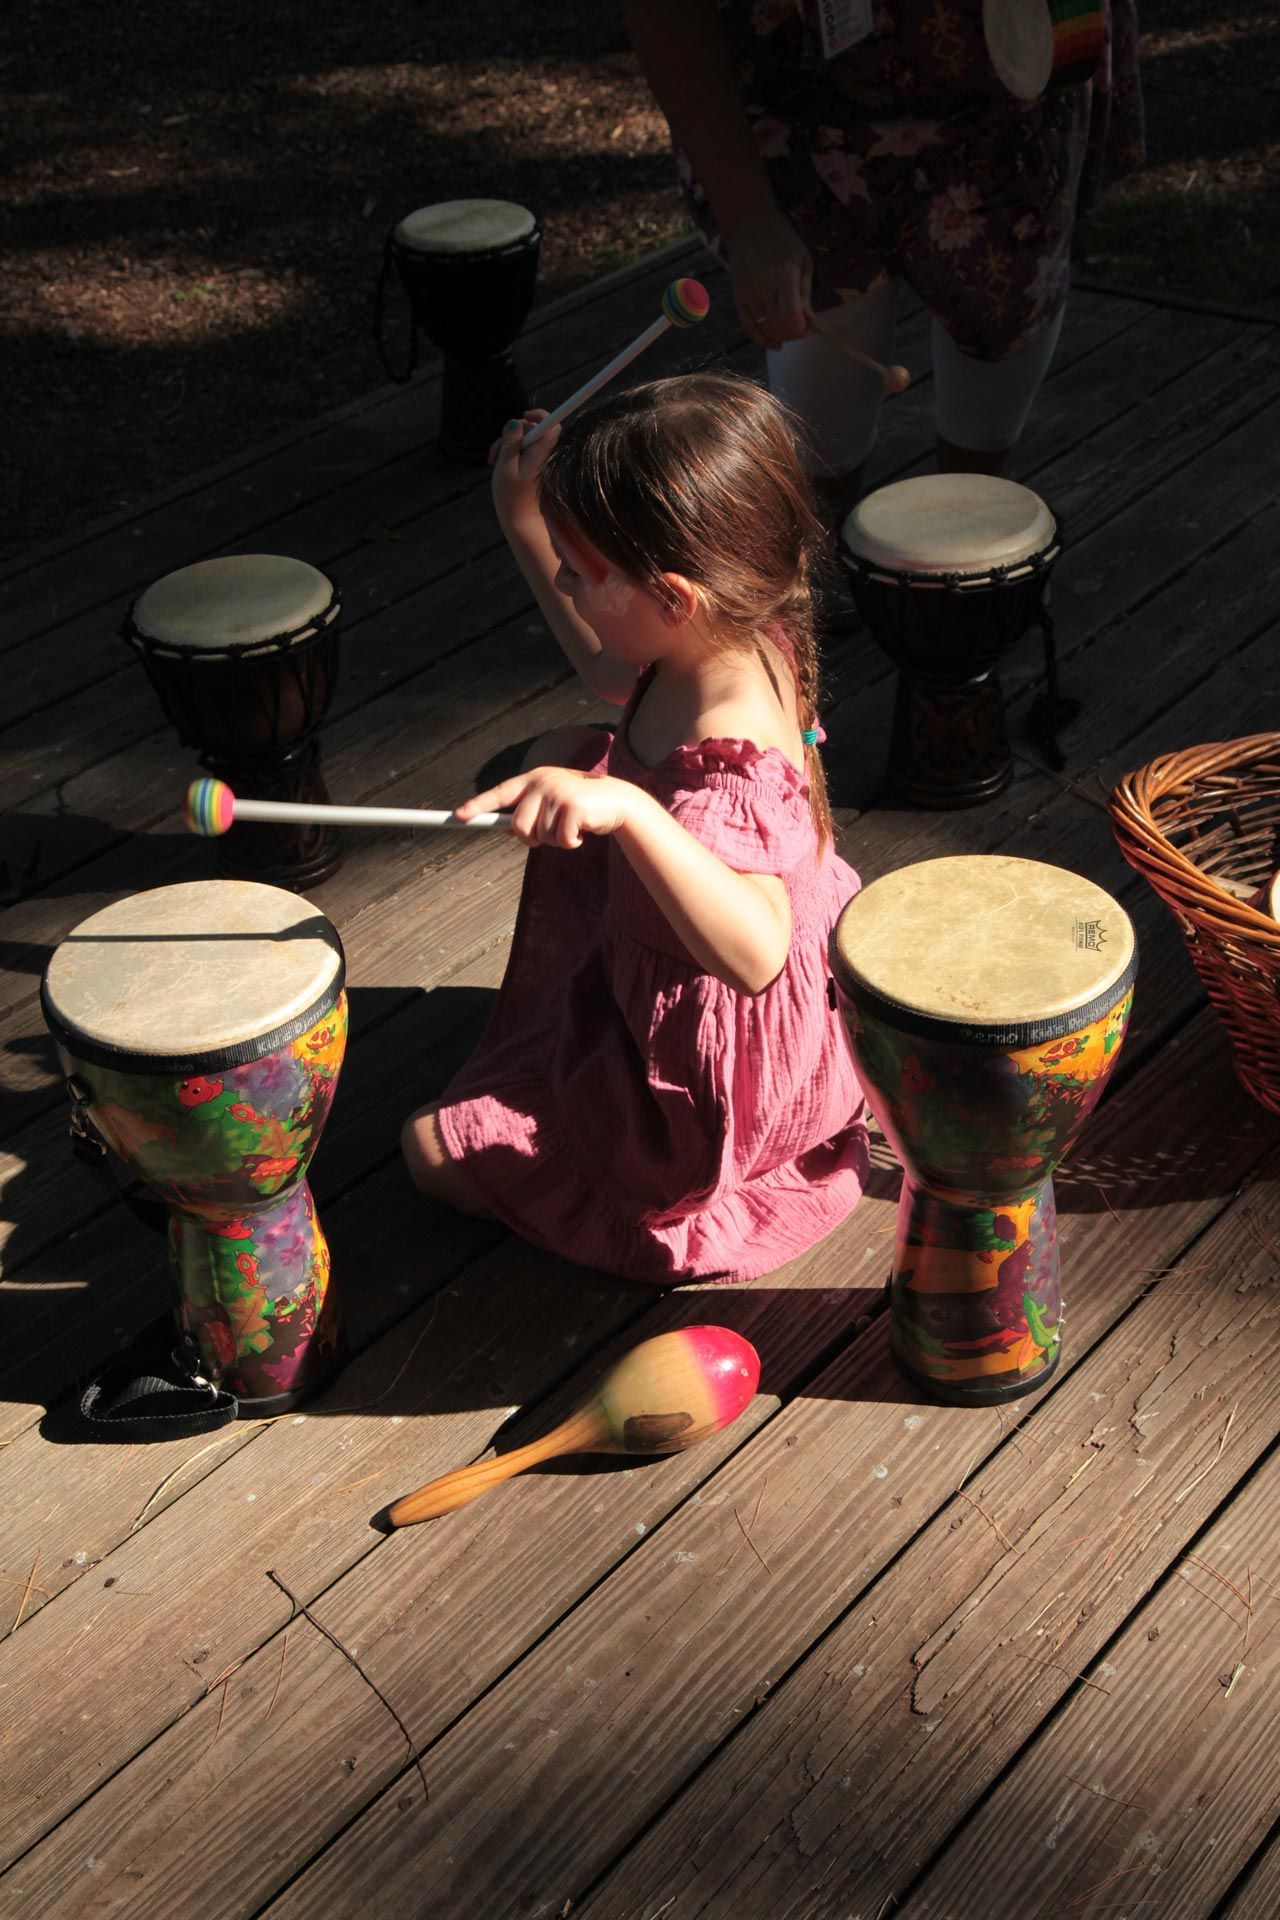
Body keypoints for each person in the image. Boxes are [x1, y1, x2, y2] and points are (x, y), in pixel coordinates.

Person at [401, 372, 869, 1284]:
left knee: (427, 1152)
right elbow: (619, 675)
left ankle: (712, 1186)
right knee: (575, 743)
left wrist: (629, 804)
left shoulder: (723, 768)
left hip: (705, 1086)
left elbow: (756, 952)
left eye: (580, 574)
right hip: (693, 981)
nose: (567, 585)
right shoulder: (743, 625)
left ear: (673, 596)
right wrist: (522, 517)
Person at [624, 0, 1144, 514]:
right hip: (795, 91)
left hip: (1011, 90)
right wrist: (748, 219)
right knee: (820, 394)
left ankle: (966, 553)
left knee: (1004, 311)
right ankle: (822, 569)